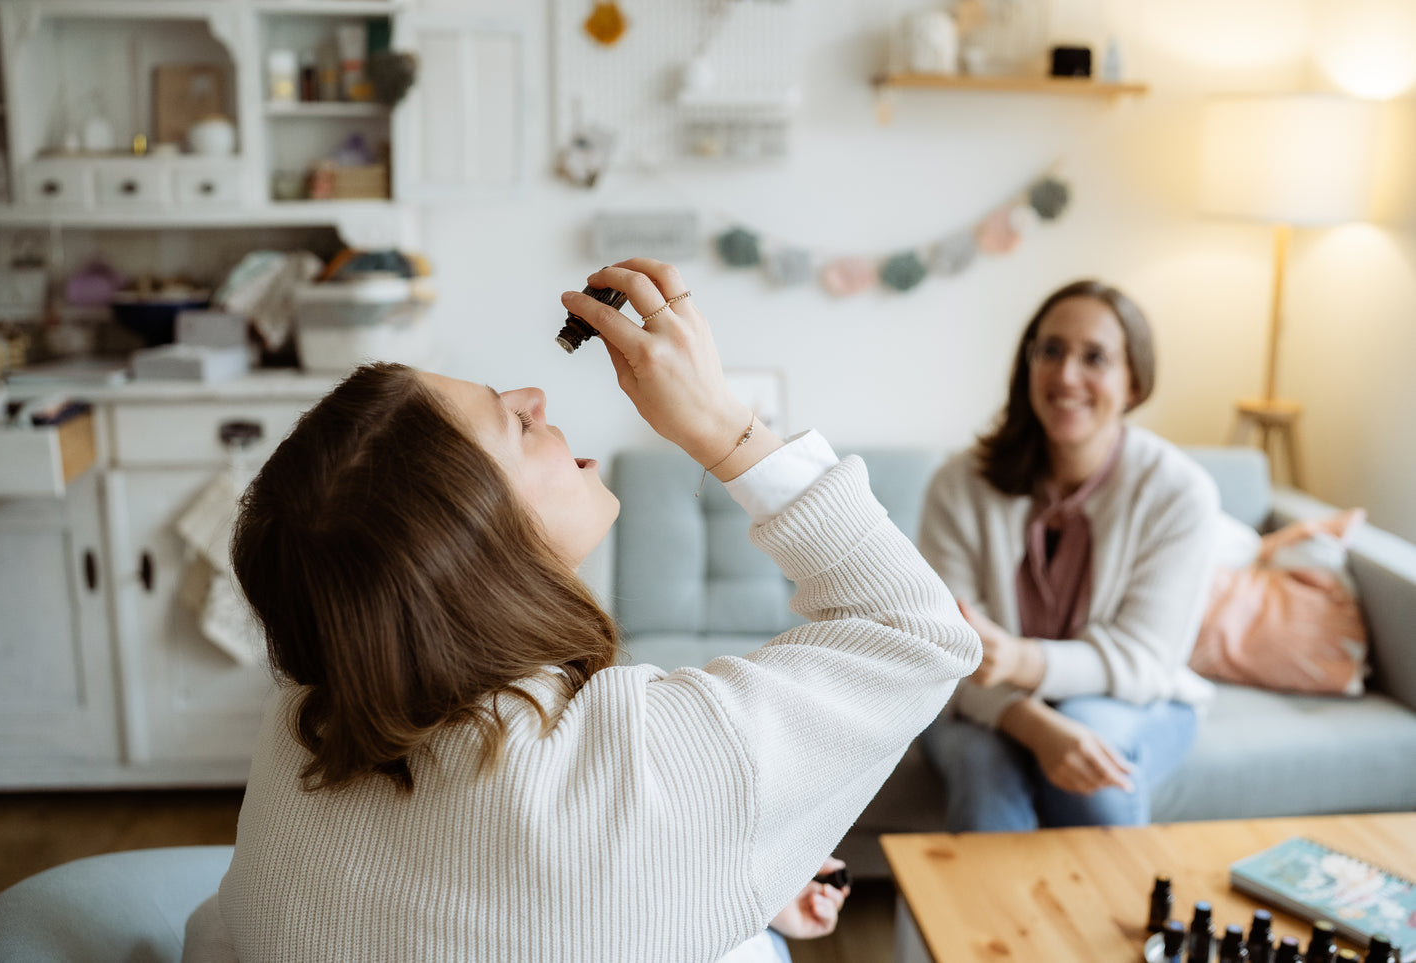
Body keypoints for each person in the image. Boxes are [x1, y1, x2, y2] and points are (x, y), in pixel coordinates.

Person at [182, 258, 980, 962]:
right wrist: (722, 424)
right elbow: (919, 629)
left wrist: (729, 861)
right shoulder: (654, 765)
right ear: (471, 549)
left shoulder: (304, 723)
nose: (534, 395)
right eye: (515, 421)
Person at [917, 279, 1220, 832]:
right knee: (983, 771)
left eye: (1095, 358)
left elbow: (1145, 659)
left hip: (1130, 698)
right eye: (1050, 351)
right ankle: (984, 923)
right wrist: (1035, 726)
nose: (1065, 376)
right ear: (1027, 364)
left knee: (1096, 762)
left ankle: (1106, 918)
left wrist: (1021, 662)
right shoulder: (958, 485)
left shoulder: (1180, 493)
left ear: (1134, 383)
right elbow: (941, 651)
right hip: (981, 702)